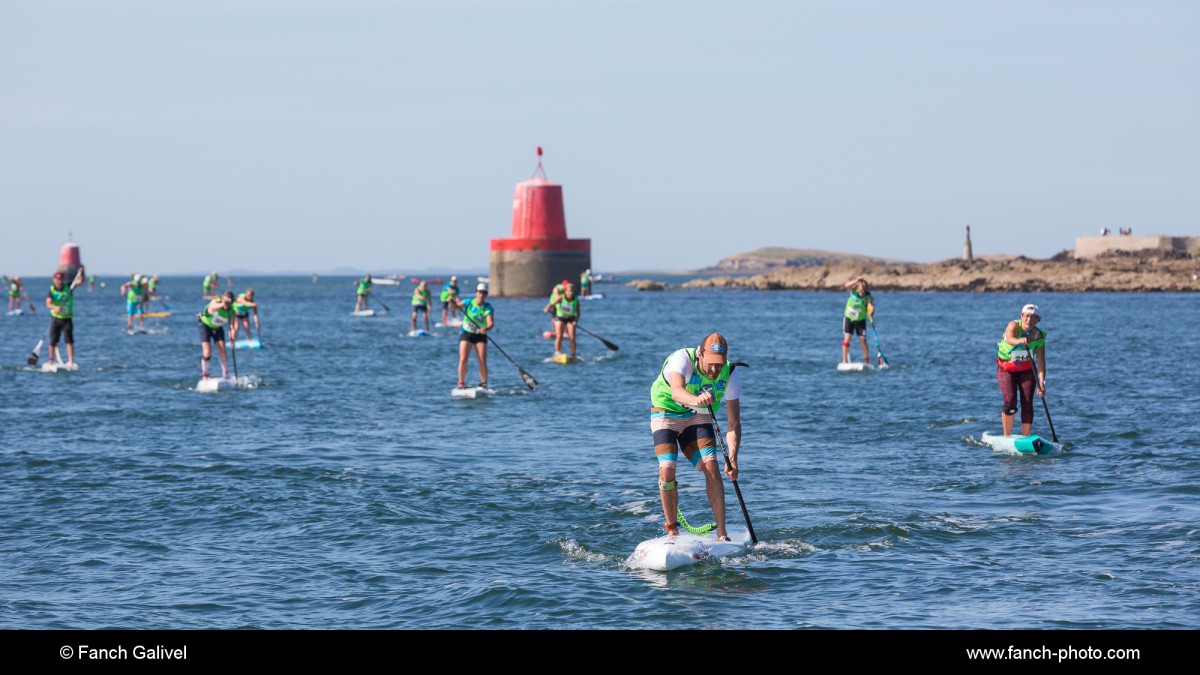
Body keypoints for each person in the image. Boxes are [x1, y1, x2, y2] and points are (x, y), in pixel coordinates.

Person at [649, 333, 742, 541]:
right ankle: (672, 531)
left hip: (698, 416)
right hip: (666, 412)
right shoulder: (681, 359)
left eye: (719, 364)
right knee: (667, 469)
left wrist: (733, 458)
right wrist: (696, 399)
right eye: (711, 364)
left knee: (712, 465)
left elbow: (734, 424)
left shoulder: (730, 373)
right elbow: (676, 391)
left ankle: (722, 533)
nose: (714, 370)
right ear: (700, 354)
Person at [996, 304, 1047, 437]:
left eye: (1033, 317)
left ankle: (1026, 437)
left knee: (1028, 403)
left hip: (1027, 369)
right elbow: (1010, 339)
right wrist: (1019, 340)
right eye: (1026, 316)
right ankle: (1006, 436)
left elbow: (1041, 362)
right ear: (1021, 316)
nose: (1029, 320)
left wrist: (1042, 383)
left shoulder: (1039, 336)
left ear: (1037, 320)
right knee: (1010, 402)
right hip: (1006, 369)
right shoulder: (1014, 325)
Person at [451, 283, 494, 389]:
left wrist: (486, 329)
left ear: (486, 294)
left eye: (483, 293)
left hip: (480, 335)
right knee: (463, 359)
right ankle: (461, 383)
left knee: (482, 361)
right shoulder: (468, 302)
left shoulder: (487, 307)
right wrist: (450, 301)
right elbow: (454, 308)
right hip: (467, 333)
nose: (481, 295)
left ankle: (483, 384)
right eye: (479, 292)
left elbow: (490, 323)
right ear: (476, 293)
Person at [45, 267, 85, 366]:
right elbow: (48, 304)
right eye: (57, 278)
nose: (59, 280)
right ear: (54, 279)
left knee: (69, 341)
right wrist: (55, 307)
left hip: (67, 318)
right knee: (53, 341)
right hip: (56, 318)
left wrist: (81, 273)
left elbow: (80, 281)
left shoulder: (69, 286)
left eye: (61, 278)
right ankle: (51, 360)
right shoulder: (52, 290)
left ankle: (71, 361)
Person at [198, 291, 235, 379]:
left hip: (218, 328)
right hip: (205, 325)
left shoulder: (231, 311)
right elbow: (211, 309)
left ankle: (225, 374)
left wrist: (232, 340)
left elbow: (232, 327)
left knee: (223, 350)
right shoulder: (215, 302)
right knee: (207, 352)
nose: (227, 305)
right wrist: (222, 304)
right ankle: (205, 375)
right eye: (226, 303)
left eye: (229, 304)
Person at [841, 275, 875, 365]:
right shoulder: (853, 291)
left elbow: (870, 305)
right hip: (849, 318)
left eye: (864, 287)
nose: (863, 288)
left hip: (861, 320)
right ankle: (844, 361)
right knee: (847, 339)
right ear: (858, 286)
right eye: (861, 286)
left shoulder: (868, 296)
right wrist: (856, 280)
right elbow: (846, 285)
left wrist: (871, 311)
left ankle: (866, 361)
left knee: (863, 340)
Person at [543, 281, 580, 357]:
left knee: (572, 337)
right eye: (569, 291)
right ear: (566, 291)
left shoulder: (576, 299)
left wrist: (576, 321)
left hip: (571, 318)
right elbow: (552, 303)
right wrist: (547, 308)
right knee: (559, 336)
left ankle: (573, 354)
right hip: (560, 318)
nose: (571, 293)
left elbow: (578, 311)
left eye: (572, 291)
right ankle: (557, 353)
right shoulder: (561, 297)